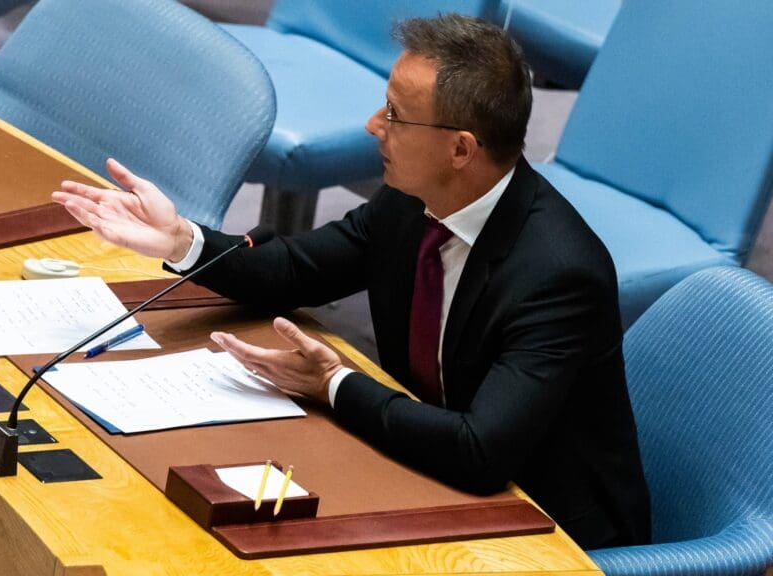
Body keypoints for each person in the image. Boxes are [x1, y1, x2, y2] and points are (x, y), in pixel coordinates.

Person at [51, 14, 651, 549]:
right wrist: (183, 239)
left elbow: (480, 452)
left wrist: (334, 383)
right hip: (422, 468)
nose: (371, 125)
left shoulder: (557, 274)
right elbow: (295, 269)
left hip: (550, 530)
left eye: (394, 114)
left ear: (461, 150)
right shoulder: (410, 202)